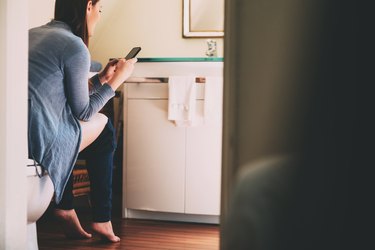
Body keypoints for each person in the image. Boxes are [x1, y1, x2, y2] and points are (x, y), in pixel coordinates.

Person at [28, 0, 136, 243]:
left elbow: (58, 92)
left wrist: (100, 78)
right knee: (104, 129)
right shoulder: (75, 46)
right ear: (88, 6)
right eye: (100, 9)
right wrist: (118, 79)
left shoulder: (31, 34)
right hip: (41, 136)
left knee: (72, 128)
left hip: (18, 135)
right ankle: (101, 219)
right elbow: (84, 112)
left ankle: (64, 207)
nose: (99, 16)